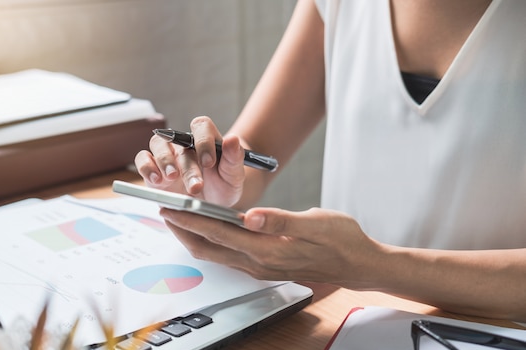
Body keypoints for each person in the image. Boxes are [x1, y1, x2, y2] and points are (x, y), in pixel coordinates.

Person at [134, 0, 526, 322]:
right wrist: (215, 184)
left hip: (493, 344)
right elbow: (255, 149)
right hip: (346, 324)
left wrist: (374, 266)